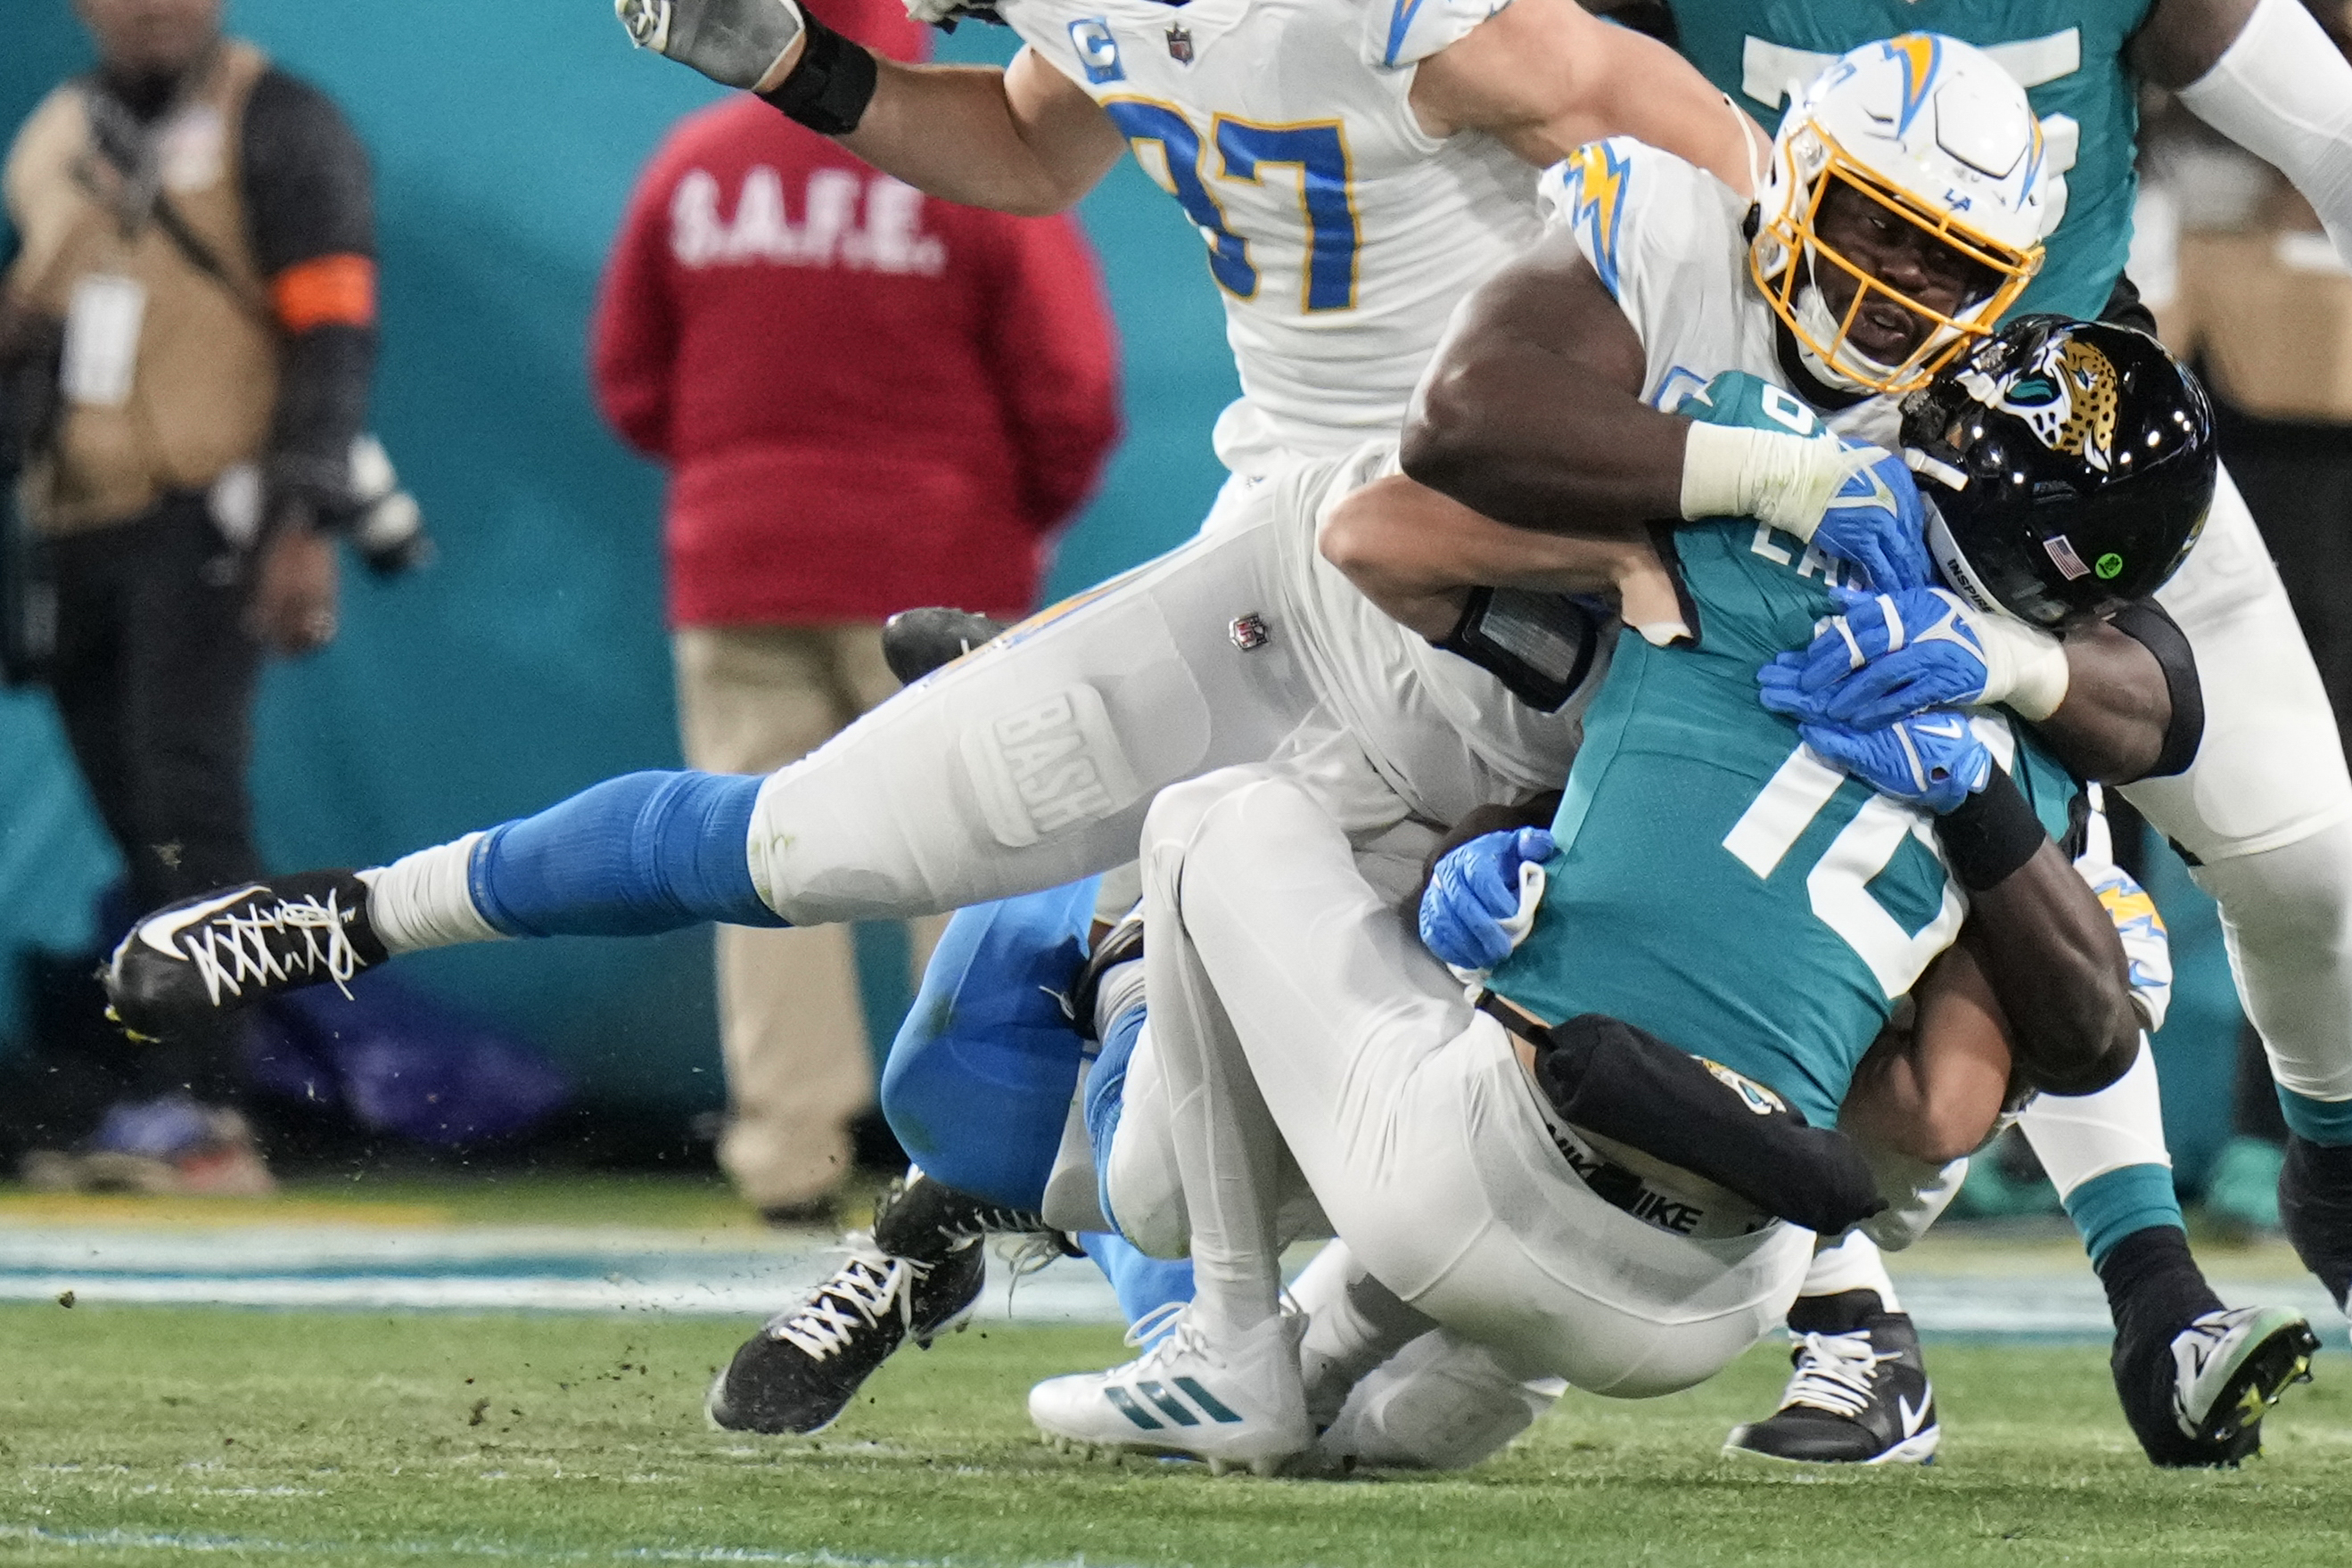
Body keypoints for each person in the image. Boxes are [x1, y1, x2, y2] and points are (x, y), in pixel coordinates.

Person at [1024, 305, 2208, 1473]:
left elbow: (1367, 533)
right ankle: (1346, 1358)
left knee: (1208, 824)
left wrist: (1633, 548)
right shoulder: (2053, 774)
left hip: (1487, 1167)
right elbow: (1938, 1113)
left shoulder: (1741, 505)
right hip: (1720, 1294)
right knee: (1392, 1415)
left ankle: (1223, 1342)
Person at [1582, 0, 2352, 1427]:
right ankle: (1923, 1300)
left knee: (2306, 861)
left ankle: (2325, 1169)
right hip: (1739, 409)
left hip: (2038, 442)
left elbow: (2330, 129)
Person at [589, 0, 1120, 1222]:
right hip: (938, 568)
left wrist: (748, 477)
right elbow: (1069, 390)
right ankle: (979, 1147)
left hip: (739, 565)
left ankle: (786, 1154)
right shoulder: (973, 159)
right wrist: (1002, 516)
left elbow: (631, 380)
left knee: (757, 859)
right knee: (967, 853)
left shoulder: (697, 166)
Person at [0, 0, 377, 1191]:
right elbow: (43, 330)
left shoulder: (282, 119)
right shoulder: (56, 131)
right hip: (74, 521)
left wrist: (302, 518)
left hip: (209, 514)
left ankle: (217, 1111)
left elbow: (333, 337)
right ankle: (175, 1097)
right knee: (132, 810)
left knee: (187, 801)